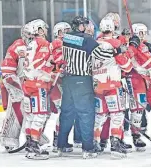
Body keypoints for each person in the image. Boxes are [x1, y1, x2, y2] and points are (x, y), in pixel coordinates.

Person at [56, 15, 99, 159]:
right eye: (85, 25)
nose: (87, 27)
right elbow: (101, 54)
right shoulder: (87, 39)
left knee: (67, 114)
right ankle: (88, 149)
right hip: (82, 80)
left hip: (68, 80)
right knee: (86, 114)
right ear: (81, 26)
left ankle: (61, 146)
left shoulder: (66, 38)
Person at [92, 18, 133, 158]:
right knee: (117, 115)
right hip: (112, 85)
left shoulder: (94, 43)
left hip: (97, 86)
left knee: (99, 116)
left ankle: (94, 143)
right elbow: (127, 66)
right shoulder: (116, 43)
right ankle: (115, 143)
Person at [22, 20, 52, 160]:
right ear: (39, 30)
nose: (46, 31)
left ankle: (29, 143)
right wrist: (52, 66)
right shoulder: (43, 43)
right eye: (44, 28)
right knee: (40, 115)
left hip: (28, 83)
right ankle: (34, 145)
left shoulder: (30, 44)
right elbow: (41, 63)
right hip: (38, 84)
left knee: (30, 116)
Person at [0, 24, 28, 152]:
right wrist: (15, 87)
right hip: (21, 84)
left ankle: (34, 139)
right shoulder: (17, 47)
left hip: (35, 85)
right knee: (16, 110)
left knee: (37, 114)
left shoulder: (42, 46)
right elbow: (7, 70)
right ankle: (8, 139)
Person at [50, 21, 75, 152]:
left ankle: (61, 139)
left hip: (61, 82)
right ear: (57, 33)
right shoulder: (57, 43)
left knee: (67, 112)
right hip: (56, 83)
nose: (66, 34)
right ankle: (58, 139)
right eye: (63, 31)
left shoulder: (67, 44)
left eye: (67, 31)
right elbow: (57, 64)